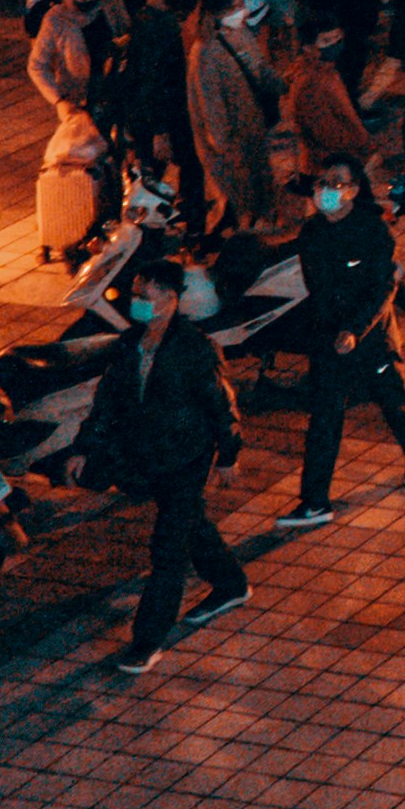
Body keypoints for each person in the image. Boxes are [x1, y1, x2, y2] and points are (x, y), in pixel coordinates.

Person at [112, 258, 255, 676]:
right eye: (135, 293)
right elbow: (109, 400)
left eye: (146, 295)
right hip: (152, 455)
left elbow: (221, 404)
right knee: (190, 524)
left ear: (171, 299)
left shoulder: (193, 348)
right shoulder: (130, 344)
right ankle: (230, 584)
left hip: (188, 457)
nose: (137, 301)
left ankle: (147, 641)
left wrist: (228, 455)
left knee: (168, 546)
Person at [277, 158, 405, 525]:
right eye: (322, 182)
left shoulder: (373, 231)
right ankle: (315, 501)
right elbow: (317, 286)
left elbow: (382, 287)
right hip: (329, 337)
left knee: (393, 400)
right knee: (325, 417)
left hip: (371, 335)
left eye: (337, 182)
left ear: (354, 190)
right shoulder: (311, 232)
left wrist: (355, 330)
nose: (327, 189)